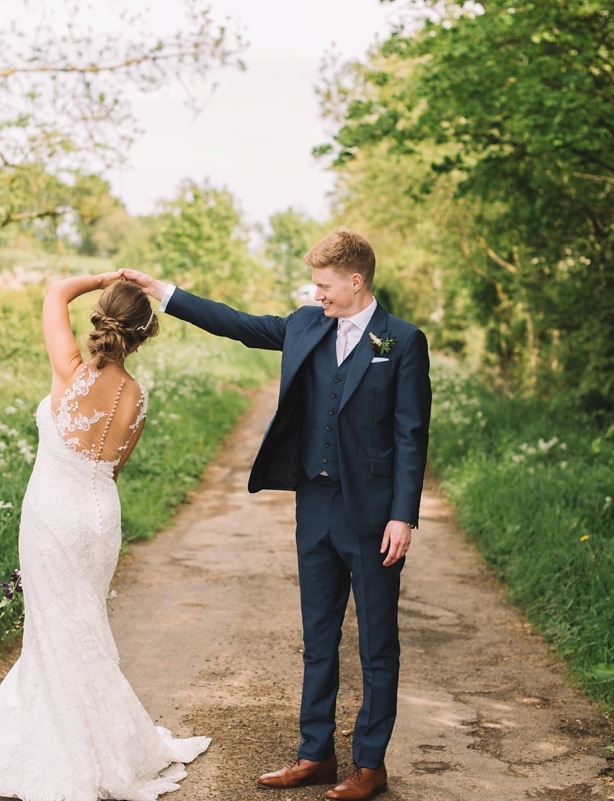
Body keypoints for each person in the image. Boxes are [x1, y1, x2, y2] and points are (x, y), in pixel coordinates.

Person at [123, 229, 432, 801]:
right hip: (314, 507)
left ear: (355, 280)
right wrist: (164, 292)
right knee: (318, 638)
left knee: (376, 646)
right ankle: (315, 753)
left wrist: (403, 516)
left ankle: (370, 765)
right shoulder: (305, 324)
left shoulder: (403, 342)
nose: (318, 295)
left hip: (372, 517)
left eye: (325, 285)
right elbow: (237, 324)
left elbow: (412, 435)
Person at [0, 273, 210, 801]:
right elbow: (114, 469)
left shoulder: (69, 372)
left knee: (54, 634)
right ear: (142, 336)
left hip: (52, 515)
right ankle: (101, 747)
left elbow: (54, 291)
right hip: (98, 518)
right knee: (85, 629)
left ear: (101, 321)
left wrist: (104, 277)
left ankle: (59, 757)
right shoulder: (137, 397)